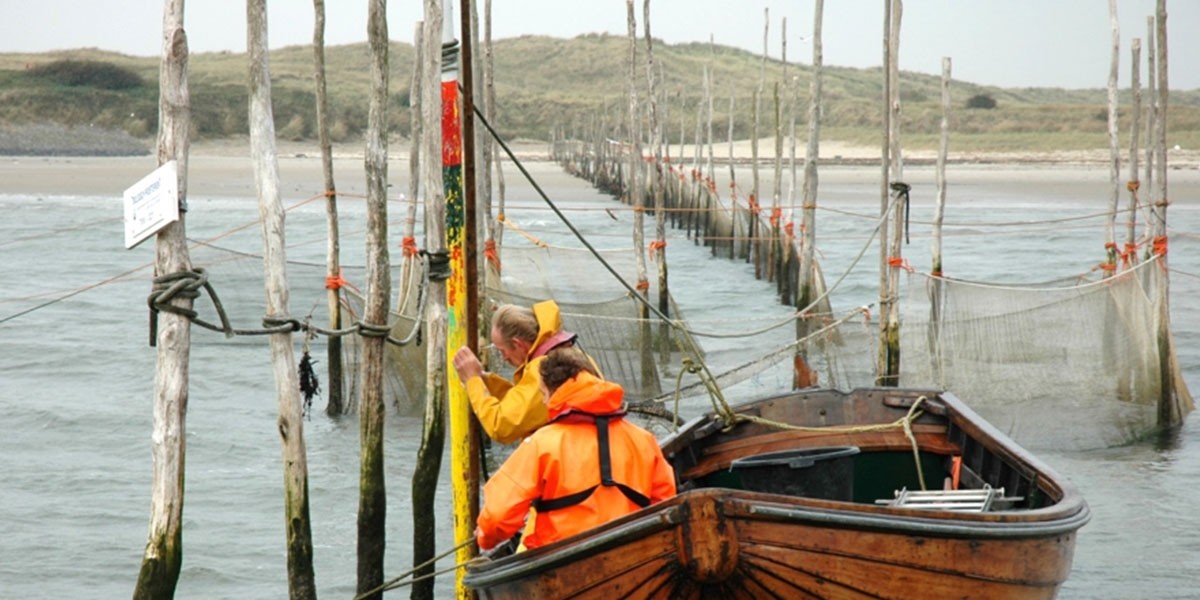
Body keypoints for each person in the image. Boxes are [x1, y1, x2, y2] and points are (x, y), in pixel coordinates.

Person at [475, 346, 677, 552]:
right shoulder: (643, 440)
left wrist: (484, 537)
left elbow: (498, 517)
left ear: (553, 391)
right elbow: (665, 504)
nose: (544, 402)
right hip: (632, 555)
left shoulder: (541, 444)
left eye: (543, 394)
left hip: (561, 560)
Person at [452, 300, 587, 444]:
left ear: (518, 344)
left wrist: (473, 381)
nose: (504, 358)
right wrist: (485, 380)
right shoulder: (569, 355)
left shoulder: (545, 368)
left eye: (502, 351)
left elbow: (500, 426)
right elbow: (524, 404)